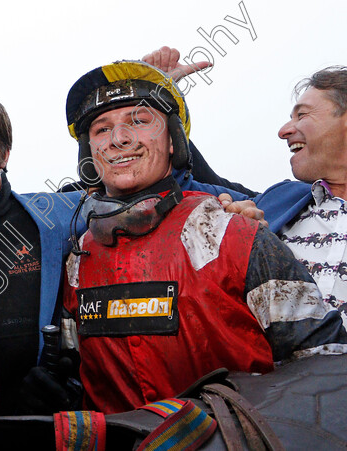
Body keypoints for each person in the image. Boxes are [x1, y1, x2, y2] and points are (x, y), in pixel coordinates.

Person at [0, 87, 261, 421]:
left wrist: (223, 206)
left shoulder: (60, 214)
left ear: (5, 154)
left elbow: (145, 191)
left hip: (43, 437)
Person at [59, 60, 347, 415]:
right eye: (101, 129)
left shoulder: (236, 232)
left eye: (140, 120)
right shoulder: (77, 258)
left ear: (173, 143)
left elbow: (325, 372)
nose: (118, 139)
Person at [144, 47, 347, 325]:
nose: (284, 130)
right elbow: (176, 183)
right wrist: (155, 101)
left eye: (302, 115)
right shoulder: (276, 203)